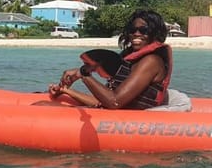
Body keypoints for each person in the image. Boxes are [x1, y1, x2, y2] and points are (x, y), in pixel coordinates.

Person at [42, 9, 190, 111]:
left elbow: (114, 102)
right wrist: (67, 91)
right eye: (132, 30)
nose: (136, 34)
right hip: (120, 111)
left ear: (154, 33)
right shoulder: (131, 58)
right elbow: (104, 100)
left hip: (133, 120)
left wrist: (84, 74)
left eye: (144, 30)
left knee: (43, 106)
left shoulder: (150, 61)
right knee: (42, 104)